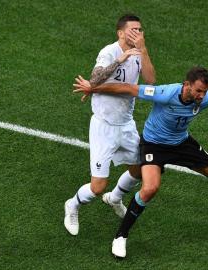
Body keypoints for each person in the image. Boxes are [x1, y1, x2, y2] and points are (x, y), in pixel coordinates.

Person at [73, 66, 208, 258]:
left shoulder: (204, 99)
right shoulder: (165, 93)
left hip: (182, 143)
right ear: (186, 84)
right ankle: (120, 236)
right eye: (198, 91)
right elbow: (128, 88)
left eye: (204, 92)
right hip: (154, 145)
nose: (201, 96)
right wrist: (94, 88)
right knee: (150, 188)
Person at [64, 14, 156, 236]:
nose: (138, 33)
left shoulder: (138, 53)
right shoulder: (109, 52)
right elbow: (94, 81)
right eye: (133, 30)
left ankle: (114, 198)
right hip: (103, 127)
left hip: (126, 125)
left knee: (138, 170)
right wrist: (120, 59)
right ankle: (72, 205)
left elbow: (151, 80)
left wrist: (143, 51)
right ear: (120, 33)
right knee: (97, 186)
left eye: (140, 30)